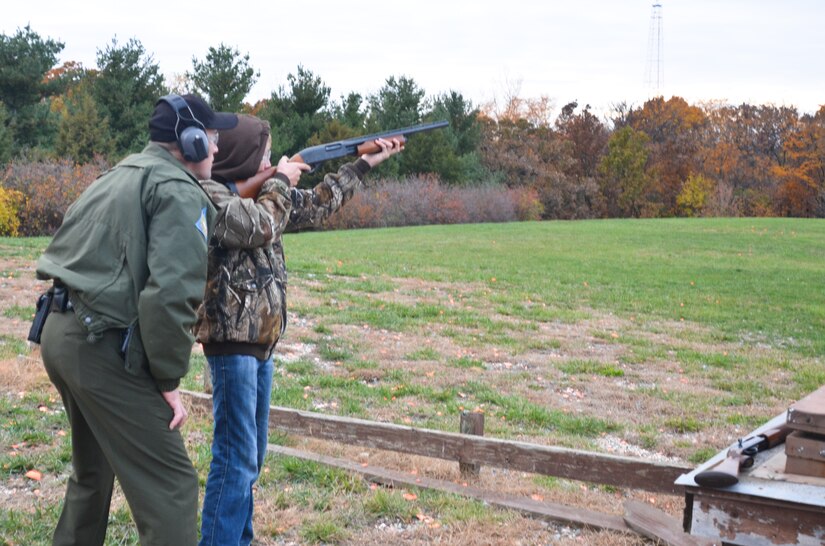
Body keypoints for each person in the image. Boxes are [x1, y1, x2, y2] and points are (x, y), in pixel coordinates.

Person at [34, 94, 238, 546]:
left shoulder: (119, 174)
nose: (218, 150)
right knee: (173, 490)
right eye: (214, 138)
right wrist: (167, 380)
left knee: (92, 474)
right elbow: (170, 295)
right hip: (98, 345)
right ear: (191, 142)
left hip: (59, 334)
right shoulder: (180, 190)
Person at [194, 114, 402, 546]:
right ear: (244, 158)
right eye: (265, 155)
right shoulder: (213, 198)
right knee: (234, 459)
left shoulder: (269, 193)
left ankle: (240, 539)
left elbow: (319, 202)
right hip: (231, 344)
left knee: (251, 458)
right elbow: (260, 224)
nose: (272, 161)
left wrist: (363, 163)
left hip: (261, 344)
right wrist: (280, 179)